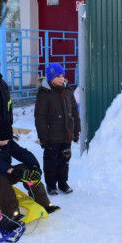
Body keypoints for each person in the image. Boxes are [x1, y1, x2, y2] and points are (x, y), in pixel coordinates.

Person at [0, 119, 61, 221]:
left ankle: (44, 204)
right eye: (3, 140)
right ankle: (11, 213)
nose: (6, 142)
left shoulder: (7, 142)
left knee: (26, 169)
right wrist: (12, 171)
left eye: (8, 139)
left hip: (5, 173)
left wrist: (35, 167)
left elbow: (21, 152)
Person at [34, 63, 81, 195]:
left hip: (66, 134)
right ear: (50, 78)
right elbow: (40, 117)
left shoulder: (68, 91)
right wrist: (43, 137)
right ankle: (51, 184)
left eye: (62, 76)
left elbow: (74, 112)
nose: (61, 79)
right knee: (51, 161)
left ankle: (63, 183)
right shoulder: (44, 93)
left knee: (64, 160)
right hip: (51, 135)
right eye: (57, 76)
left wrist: (76, 131)